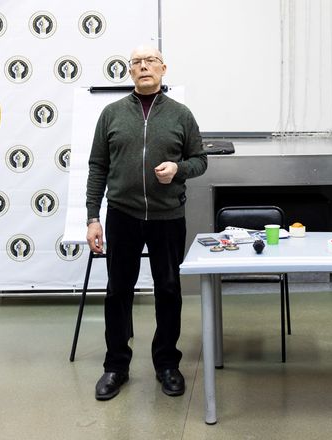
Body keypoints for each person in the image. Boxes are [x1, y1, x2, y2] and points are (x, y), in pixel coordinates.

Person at [86, 44, 207, 401]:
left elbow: (200, 160)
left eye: (150, 61)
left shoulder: (181, 115)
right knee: (117, 291)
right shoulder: (111, 114)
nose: (143, 66)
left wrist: (178, 169)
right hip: (122, 215)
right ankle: (115, 366)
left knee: (168, 289)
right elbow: (98, 167)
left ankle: (167, 364)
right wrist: (93, 217)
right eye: (136, 62)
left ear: (163, 68)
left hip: (167, 217)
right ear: (129, 71)